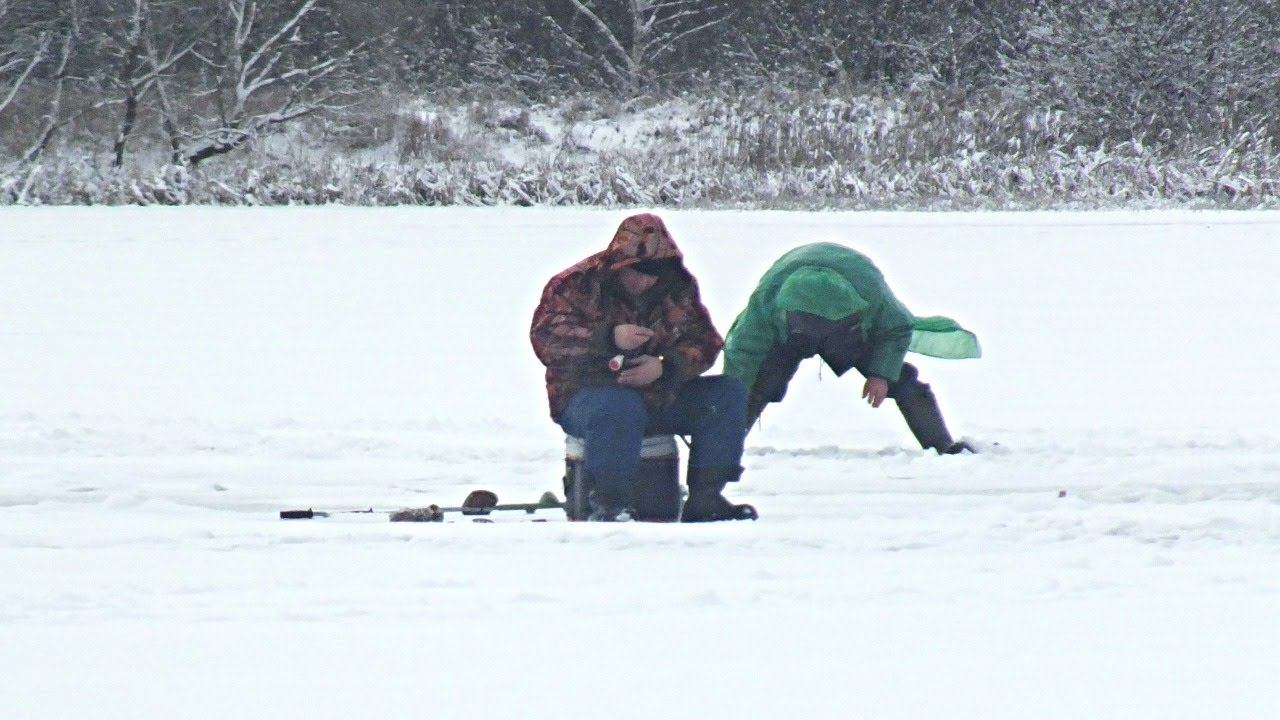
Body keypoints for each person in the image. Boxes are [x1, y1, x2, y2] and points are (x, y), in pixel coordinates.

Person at [530, 213, 755, 522]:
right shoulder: (575, 285)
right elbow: (546, 339)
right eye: (639, 271)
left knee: (727, 393)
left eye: (655, 274)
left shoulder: (677, 289)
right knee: (618, 406)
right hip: (588, 398)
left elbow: (705, 343)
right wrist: (609, 338)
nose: (647, 281)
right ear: (619, 264)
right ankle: (610, 504)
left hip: (658, 395)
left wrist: (665, 367)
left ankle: (707, 498)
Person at [723, 242, 981, 453]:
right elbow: (743, 355)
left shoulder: (871, 294)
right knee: (754, 385)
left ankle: (942, 446)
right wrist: (733, 400)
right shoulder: (766, 305)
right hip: (787, 338)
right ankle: (723, 454)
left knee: (902, 381)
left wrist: (881, 374)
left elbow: (896, 329)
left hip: (849, 337)